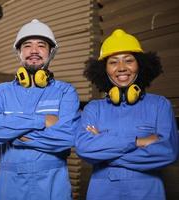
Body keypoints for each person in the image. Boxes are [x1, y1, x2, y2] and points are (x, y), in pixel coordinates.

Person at [0, 19, 80, 200]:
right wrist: (41, 121)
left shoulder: (65, 91)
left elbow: (67, 137)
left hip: (53, 184)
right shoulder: (1, 92)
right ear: (18, 52)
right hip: (9, 185)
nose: (34, 51)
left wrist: (14, 134)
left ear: (51, 52)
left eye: (41, 45)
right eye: (27, 46)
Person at [75, 29, 179, 200]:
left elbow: (168, 152)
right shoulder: (93, 109)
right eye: (113, 62)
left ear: (140, 65)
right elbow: (84, 148)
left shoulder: (160, 105)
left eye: (129, 60)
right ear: (104, 69)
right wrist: (137, 141)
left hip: (148, 193)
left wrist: (104, 150)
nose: (121, 68)